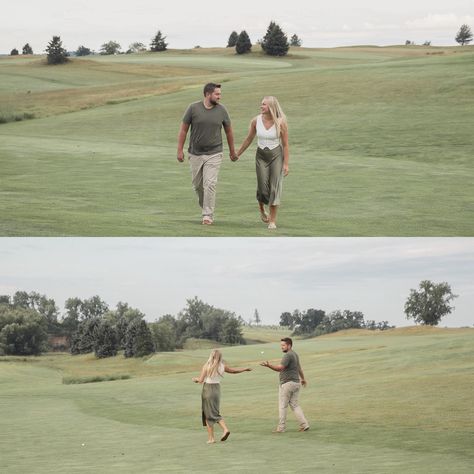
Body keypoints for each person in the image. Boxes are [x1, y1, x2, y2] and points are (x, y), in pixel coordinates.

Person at [177, 83, 238, 225]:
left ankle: (207, 215)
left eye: (220, 94)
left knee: (210, 184)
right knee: (198, 186)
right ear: (207, 94)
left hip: (214, 153)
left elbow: (229, 131)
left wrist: (232, 151)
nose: (219, 96)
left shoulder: (222, 110)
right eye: (217, 94)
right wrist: (179, 150)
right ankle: (206, 205)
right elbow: (183, 130)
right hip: (195, 153)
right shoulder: (193, 108)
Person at [236, 96, 289, 229]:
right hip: (261, 156)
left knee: (274, 188)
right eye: (261, 104)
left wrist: (286, 164)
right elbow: (249, 139)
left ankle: (272, 221)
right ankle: (261, 209)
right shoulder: (256, 120)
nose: (261, 106)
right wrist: (237, 154)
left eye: (264, 105)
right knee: (262, 188)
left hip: (276, 156)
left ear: (271, 107)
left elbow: (286, 145)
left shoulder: (281, 122)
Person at [192, 349, 252, 444]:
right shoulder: (222, 366)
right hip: (217, 390)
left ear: (211, 356)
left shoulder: (207, 366)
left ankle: (224, 430)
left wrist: (195, 379)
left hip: (208, 390)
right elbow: (233, 371)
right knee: (210, 413)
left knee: (210, 414)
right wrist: (244, 369)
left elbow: (200, 380)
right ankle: (211, 438)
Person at [260, 337, 309, 433]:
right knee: (295, 405)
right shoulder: (295, 354)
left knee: (283, 406)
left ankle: (281, 428)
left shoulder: (288, 355)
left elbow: (280, 368)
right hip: (296, 383)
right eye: (281, 345)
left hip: (287, 384)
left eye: (283, 345)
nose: (281, 347)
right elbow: (299, 368)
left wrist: (268, 365)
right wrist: (303, 379)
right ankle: (304, 424)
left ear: (289, 345)